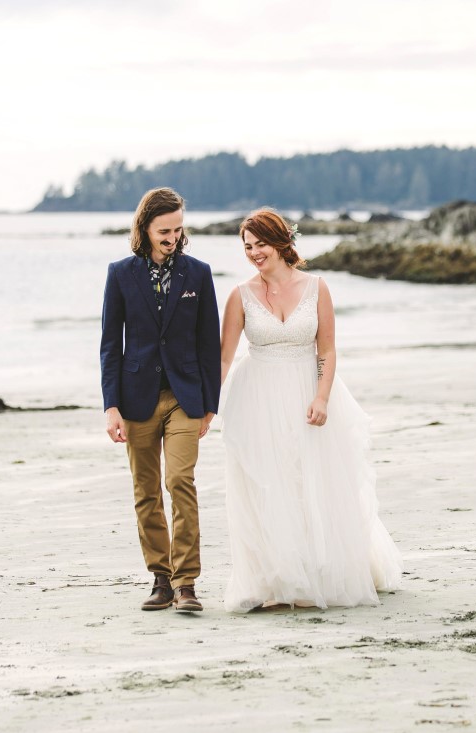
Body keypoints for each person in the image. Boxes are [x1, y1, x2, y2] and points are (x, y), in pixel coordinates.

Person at [218, 208, 402, 613]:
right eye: (247, 247)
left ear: (281, 240)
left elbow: (327, 349)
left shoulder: (317, 287)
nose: (253, 253)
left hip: (308, 392)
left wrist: (321, 397)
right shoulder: (240, 296)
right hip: (257, 397)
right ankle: (275, 578)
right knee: (269, 485)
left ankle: (320, 572)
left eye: (260, 244)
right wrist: (205, 409)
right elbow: (224, 359)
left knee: (312, 482)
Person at [100, 187, 220, 613]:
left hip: (186, 398)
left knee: (179, 482)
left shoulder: (199, 273)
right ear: (145, 229)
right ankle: (161, 578)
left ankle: (188, 583)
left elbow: (210, 342)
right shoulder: (119, 274)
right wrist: (110, 405)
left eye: (178, 229)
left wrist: (211, 403)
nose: (172, 237)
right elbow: (110, 345)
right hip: (136, 400)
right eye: (164, 230)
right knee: (146, 490)